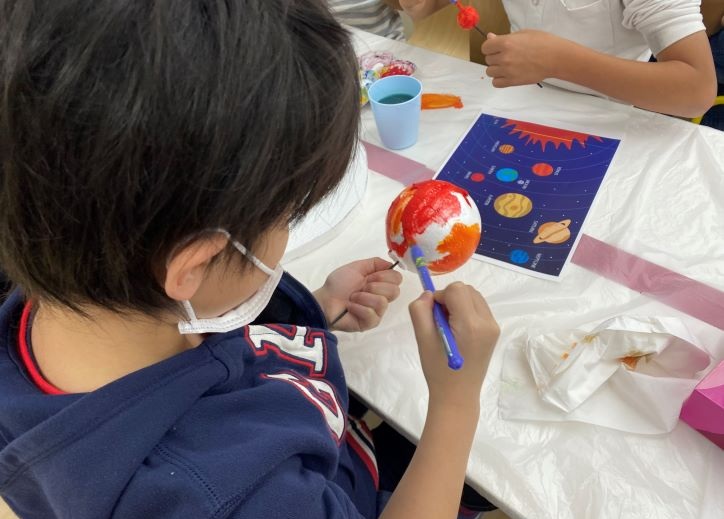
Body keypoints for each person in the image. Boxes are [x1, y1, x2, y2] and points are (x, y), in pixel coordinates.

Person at [0, 1, 500, 518]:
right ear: (192, 267)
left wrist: (316, 309)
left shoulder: (75, 278)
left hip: (338, 441)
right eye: (285, 215)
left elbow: (209, 336)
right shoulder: (226, 495)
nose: (285, 228)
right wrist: (454, 405)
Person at [402, 0, 717, 118]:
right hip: (516, 105)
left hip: (605, 118)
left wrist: (559, 62)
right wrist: (423, 5)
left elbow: (696, 90)